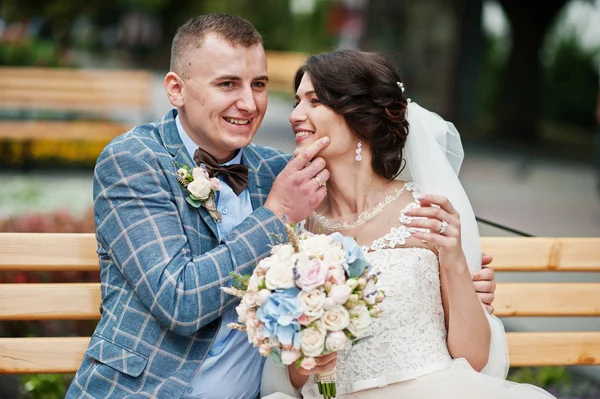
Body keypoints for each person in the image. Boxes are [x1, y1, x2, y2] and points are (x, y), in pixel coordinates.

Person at [66, 13, 498, 398]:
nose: (251, 104)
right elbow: (179, 300)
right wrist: (275, 214)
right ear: (176, 90)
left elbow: (369, 227)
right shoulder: (134, 160)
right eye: (227, 84)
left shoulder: (282, 171)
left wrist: (452, 280)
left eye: (257, 85)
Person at [261, 50, 555, 398]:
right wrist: (314, 349)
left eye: (313, 101)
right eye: (297, 102)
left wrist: (455, 261)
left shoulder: (429, 210)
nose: (295, 115)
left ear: (359, 117)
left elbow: (474, 358)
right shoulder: (299, 222)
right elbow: (294, 376)